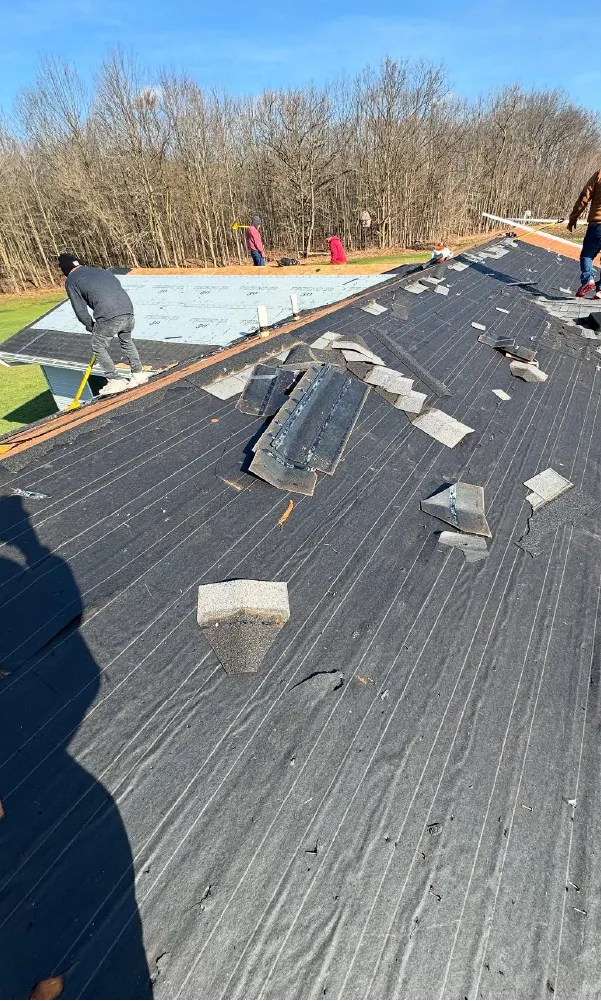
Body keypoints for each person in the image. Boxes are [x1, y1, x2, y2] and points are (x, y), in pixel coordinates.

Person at [58, 253, 148, 396]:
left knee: (98, 345)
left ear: (64, 270)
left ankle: (115, 380)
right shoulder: (101, 270)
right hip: (128, 310)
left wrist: (90, 326)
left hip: (108, 314)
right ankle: (138, 374)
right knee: (126, 341)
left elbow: (79, 309)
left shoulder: (72, 280)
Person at [568, 170, 601, 298]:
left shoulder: (599, 174)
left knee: (587, 255)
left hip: (597, 225)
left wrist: (573, 217)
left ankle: (588, 279)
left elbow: (584, 196)